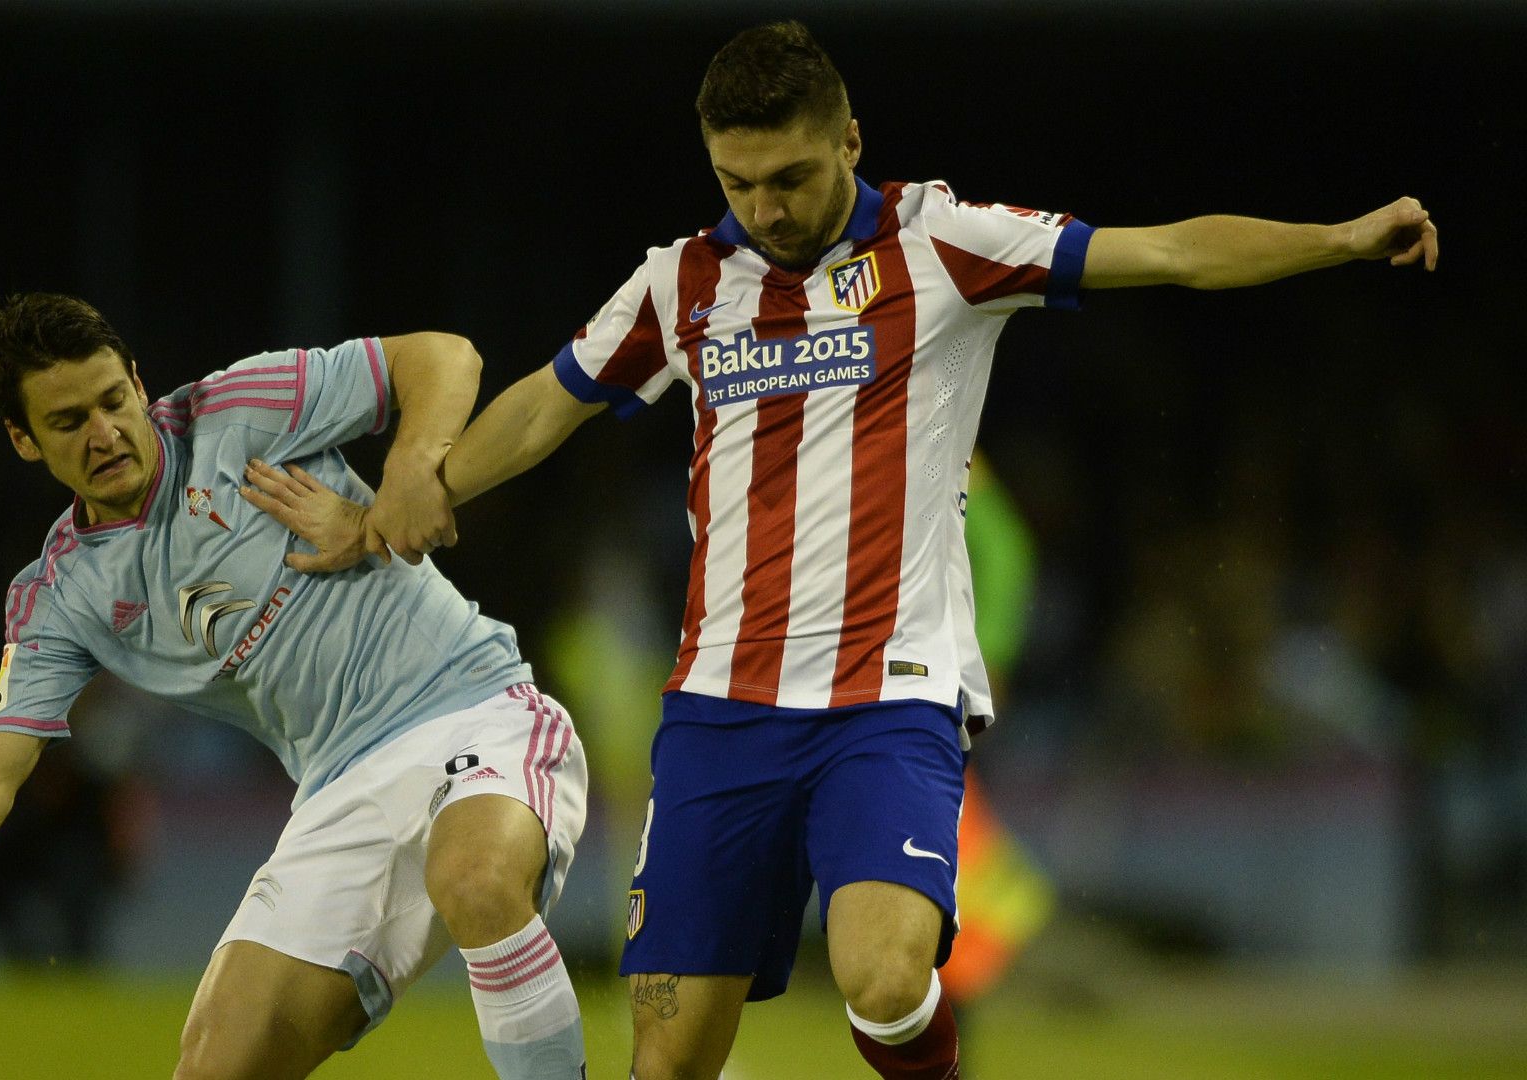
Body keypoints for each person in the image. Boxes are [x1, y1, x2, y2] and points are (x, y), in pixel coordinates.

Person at [250, 19, 1438, 1080]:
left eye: (791, 177)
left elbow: (1166, 250)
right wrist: (401, 496)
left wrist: (1337, 238)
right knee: (664, 1061)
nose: (764, 208)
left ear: (851, 141)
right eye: (737, 180)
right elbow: (543, 407)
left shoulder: (945, 244)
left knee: (881, 976)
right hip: (719, 712)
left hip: (889, 700)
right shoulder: (682, 284)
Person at [0, 293, 591, 1080]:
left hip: (474, 712)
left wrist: (405, 477)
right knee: (214, 1067)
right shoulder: (62, 593)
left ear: (139, 384)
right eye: (68, 420)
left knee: (477, 880)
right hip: (338, 789)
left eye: (114, 401)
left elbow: (443, 356)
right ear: (22, 439)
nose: (105, 432)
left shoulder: (238, 412)